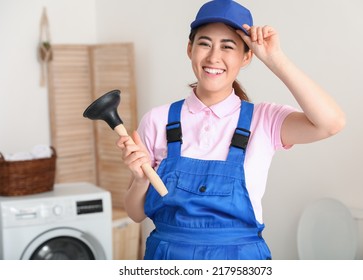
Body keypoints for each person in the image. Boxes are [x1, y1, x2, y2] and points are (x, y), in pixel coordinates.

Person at [117, 0, 345, 260]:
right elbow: (135, 214)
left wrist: (275, 59)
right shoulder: (156, 120)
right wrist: (140, 179)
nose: (214, 57)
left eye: (228, 46)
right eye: (204, 43)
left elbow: (331, 123)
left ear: (247, 56)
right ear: (189, 49)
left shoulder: (264, 120)